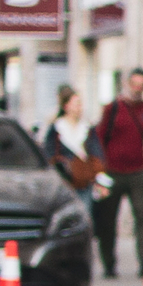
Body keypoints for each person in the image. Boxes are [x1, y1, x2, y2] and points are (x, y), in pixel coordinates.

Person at [91, 69, 143, 278]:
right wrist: (100, 168)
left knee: (141, 216)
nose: (137, 89)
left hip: (138, 172)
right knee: (108, 219)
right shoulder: (112, 109)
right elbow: (99, 137)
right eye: (134, 85)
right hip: (112, 172)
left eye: (141, 86)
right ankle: (109, 263)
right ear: (128, 84)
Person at [42, 86, 99, 222]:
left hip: (83, 180)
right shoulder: (57, 129)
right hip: (65, 181)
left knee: (84, 217)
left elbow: (96, 152)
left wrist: (97, 174)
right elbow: (49, 153)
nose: (79, 108)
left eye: (80, 104)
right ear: (66, 106)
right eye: (76, 104)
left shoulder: (87, 128)